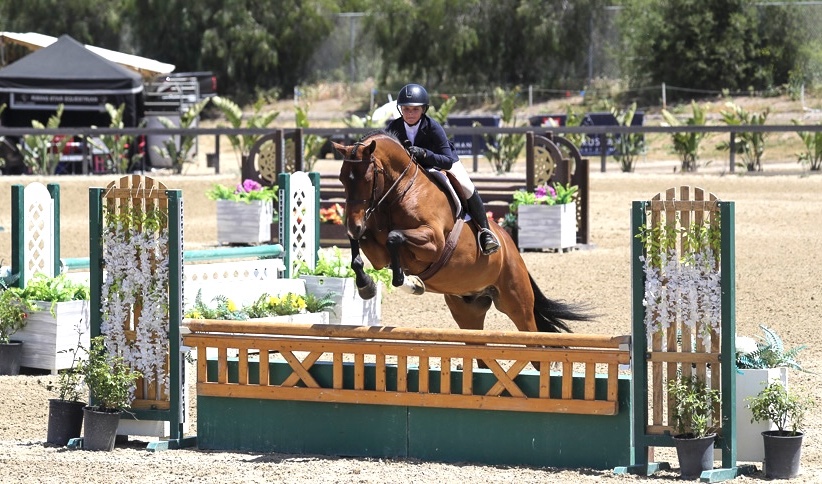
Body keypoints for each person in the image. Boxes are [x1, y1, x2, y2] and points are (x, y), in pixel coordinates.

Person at [386, 83, 500, 256]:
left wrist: (424, 154)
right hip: (411, 171)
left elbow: (446, 160)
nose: (410, 113)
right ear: (400, 109)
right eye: (406, 109)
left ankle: (485, 233)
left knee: (466, 186)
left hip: (440, 163)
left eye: (415, 109)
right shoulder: (393, 128)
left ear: (423, 110)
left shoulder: (433, 127)